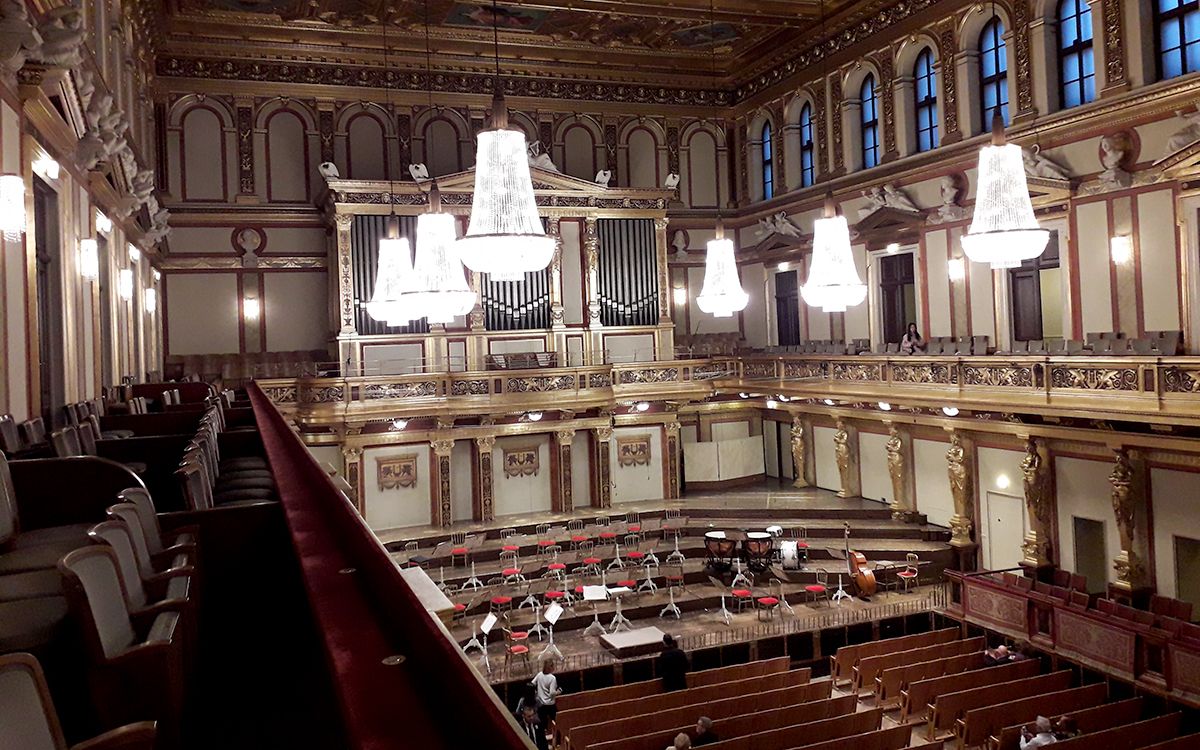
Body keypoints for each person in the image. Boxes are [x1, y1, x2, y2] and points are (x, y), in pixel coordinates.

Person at [531, 660, 562, 729]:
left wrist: (536, 693)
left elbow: (532, 684)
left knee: (542, 724)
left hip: (541, 704)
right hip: (550, 704)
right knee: (557, 721)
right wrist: (558, 692)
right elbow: (552, 693)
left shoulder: (539, 675)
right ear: (550, 667)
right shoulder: (552, 678)